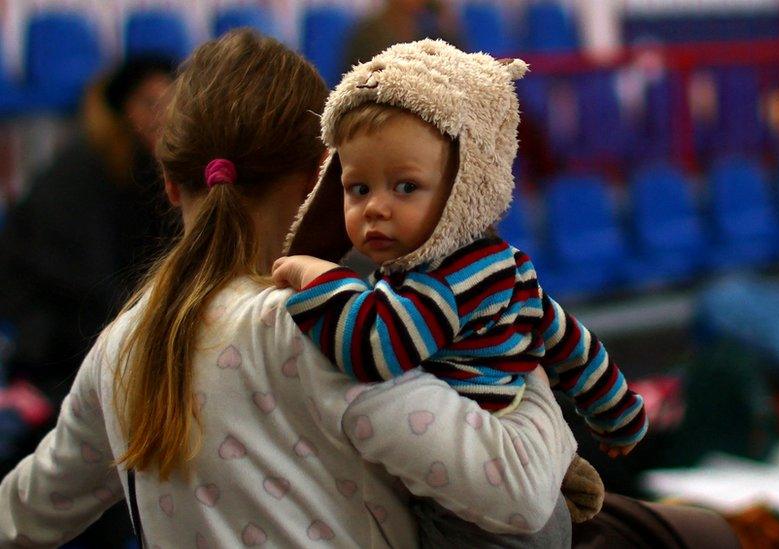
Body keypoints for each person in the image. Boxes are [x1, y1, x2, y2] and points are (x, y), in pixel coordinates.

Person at [0, 30, 576, 547]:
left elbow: (24, 513)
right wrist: (521, 348)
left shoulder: (120, 347)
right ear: (320, 177)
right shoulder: (325, 329)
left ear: (172, 186)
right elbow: (522, 497)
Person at [272, 39, 648, 542]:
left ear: (464, 186)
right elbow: (570, 343)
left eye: (405, 187)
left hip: (476, 523)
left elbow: (376, 347)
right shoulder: (501, 268)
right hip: (513, 502)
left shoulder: (449, 281)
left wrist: (315, 275)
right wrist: (618, 414)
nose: (376, 208)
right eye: (358, 188)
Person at [0, 56, 176, 406]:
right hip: (53, 338)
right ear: (125, 110)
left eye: (172, 104)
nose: (163, 116)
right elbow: (89, 285)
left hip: (95, 321)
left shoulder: (143, 170)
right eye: (150, 104)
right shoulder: (82, 173)